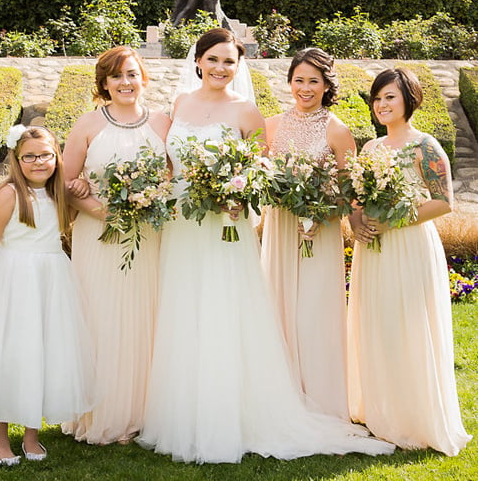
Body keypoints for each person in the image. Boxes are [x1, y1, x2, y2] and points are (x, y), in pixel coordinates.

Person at [138, 28, 395, 464]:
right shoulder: (179, 104)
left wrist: (235, 196)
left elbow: (257, 172)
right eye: (214, 59)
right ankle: (183, 413)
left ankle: (232, 414)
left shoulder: (248, 112)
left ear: (239, 68)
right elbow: (167, 165)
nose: (221, 68)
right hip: (184, 225)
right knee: (184, 310)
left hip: (226, 226)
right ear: (198, 61)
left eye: (229, 62)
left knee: (225, 312)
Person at [0, 125, 94, 466]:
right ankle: (0, 438)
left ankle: (31, 435)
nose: (39, 162)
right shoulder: (9, 195)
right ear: (17, 159)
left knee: (43, 352)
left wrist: (83, 187)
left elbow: (72, 220)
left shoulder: (60, 193)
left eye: (45, 155)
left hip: (52, 278)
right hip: (13, 281)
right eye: (30, 156)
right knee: (11, 354)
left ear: (56, 157)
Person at [347, 67, 471, 456]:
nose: (381, 105)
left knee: (408, 325)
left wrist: (392, 220)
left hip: (410, 246)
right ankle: (379, 411)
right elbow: (357, 199)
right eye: (378, 98)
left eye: (390, 98)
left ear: (408, 100)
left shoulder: (425, 146)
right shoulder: (369, 149)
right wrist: (357, 220)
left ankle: (413, 418)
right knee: (377, 325)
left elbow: (443, 202)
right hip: (374, 252)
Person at [61, 46, 170, 445]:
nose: (125, 83)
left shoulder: (162, 123)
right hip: (100, 237)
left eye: (132, 74)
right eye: (116, 76)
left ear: (144, 78)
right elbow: (66, 184)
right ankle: (102, 411)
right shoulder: (88, 124)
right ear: (104, 83)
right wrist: (103, 212)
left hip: (149, 237)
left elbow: (173, 179)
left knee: (146, 317)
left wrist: (151, 200)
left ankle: (142, 412)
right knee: (102, 318)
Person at [261, 47, 356, 420]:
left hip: (320, 231)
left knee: (315, 312)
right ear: (289, 82)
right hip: (281, 228)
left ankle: (323, 402)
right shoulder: (269, 126)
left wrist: (323, 207)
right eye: (298, 80)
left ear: (326, 85)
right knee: (278, 307)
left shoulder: (337, 130)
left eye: (313, 81)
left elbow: (351, 191)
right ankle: (280, 397)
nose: (304, 87)